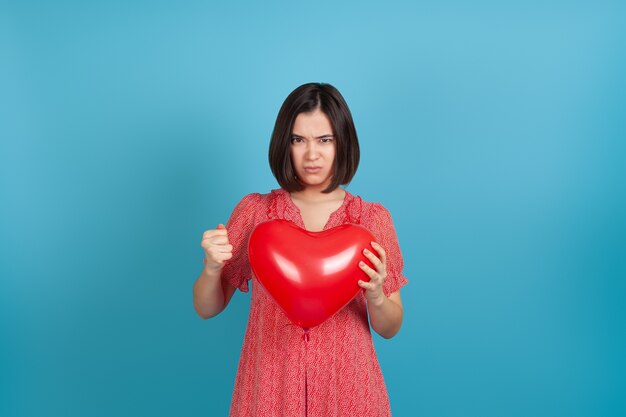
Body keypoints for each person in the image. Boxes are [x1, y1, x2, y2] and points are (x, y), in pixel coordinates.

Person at [193, 82, 409, 416]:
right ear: (285, 143)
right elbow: (207, 307)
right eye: (299, 140)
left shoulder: (372, 221)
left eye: (325, 140)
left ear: (342, 143)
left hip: (348, 393)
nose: (311, 154)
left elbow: (390, 327)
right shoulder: (255, 213)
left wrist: (378, 295)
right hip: (269, 390)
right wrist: (211, 268)